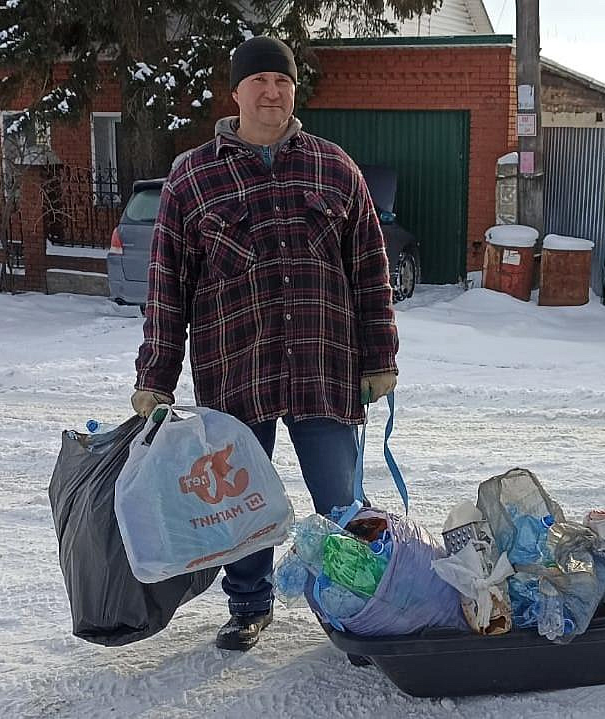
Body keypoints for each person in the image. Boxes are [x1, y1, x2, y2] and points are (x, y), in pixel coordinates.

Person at [130, 36, 399, 651]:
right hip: (235, 374)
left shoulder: (334, 167)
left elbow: (370, 271)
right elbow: (166, 288)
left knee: (342, 501)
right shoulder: (193, 179)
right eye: (259, 81)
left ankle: (352, 610)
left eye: (282, 81)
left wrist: (380, 357)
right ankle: (248, 604)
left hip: (323, 368)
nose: (272, 92)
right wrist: (155, 377)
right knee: (240, 503)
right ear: (236, 92)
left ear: (293, 90)